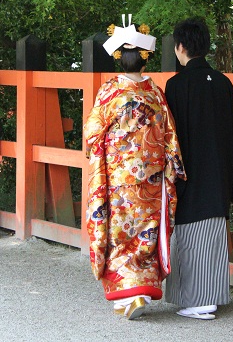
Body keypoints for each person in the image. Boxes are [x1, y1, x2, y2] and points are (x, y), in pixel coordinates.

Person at [84, 16, 186, 320]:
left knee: (119, 233)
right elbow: (170, 137)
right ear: (145, 59)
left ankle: (127, 296)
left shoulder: (109, 93)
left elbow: (92, 134)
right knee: (146, 233)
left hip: (117, 178)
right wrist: (170, 168)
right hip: (151, 179)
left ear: (119, 60)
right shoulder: (155, 93)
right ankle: (139, 292)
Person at [164, 17, 233, 320]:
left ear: (181, 46)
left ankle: (198, 301)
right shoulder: (223, 83)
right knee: (210, 237)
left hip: (189, 176)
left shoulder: (175, 85)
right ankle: (209, 296)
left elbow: (168, 138)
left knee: (189, 238)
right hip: (219, 175)